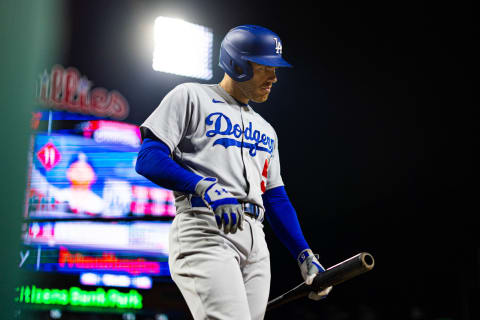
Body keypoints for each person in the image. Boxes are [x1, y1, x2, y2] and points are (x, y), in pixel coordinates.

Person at [135, 24, 332, 320]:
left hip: (256, 241)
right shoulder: (190, 96)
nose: (274, 78)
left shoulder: (267, 129)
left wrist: (304, 254)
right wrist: (202, 186)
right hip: (205, 227)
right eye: (266, 67)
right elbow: (148, 157)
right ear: (238, 64)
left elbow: (275, 197)